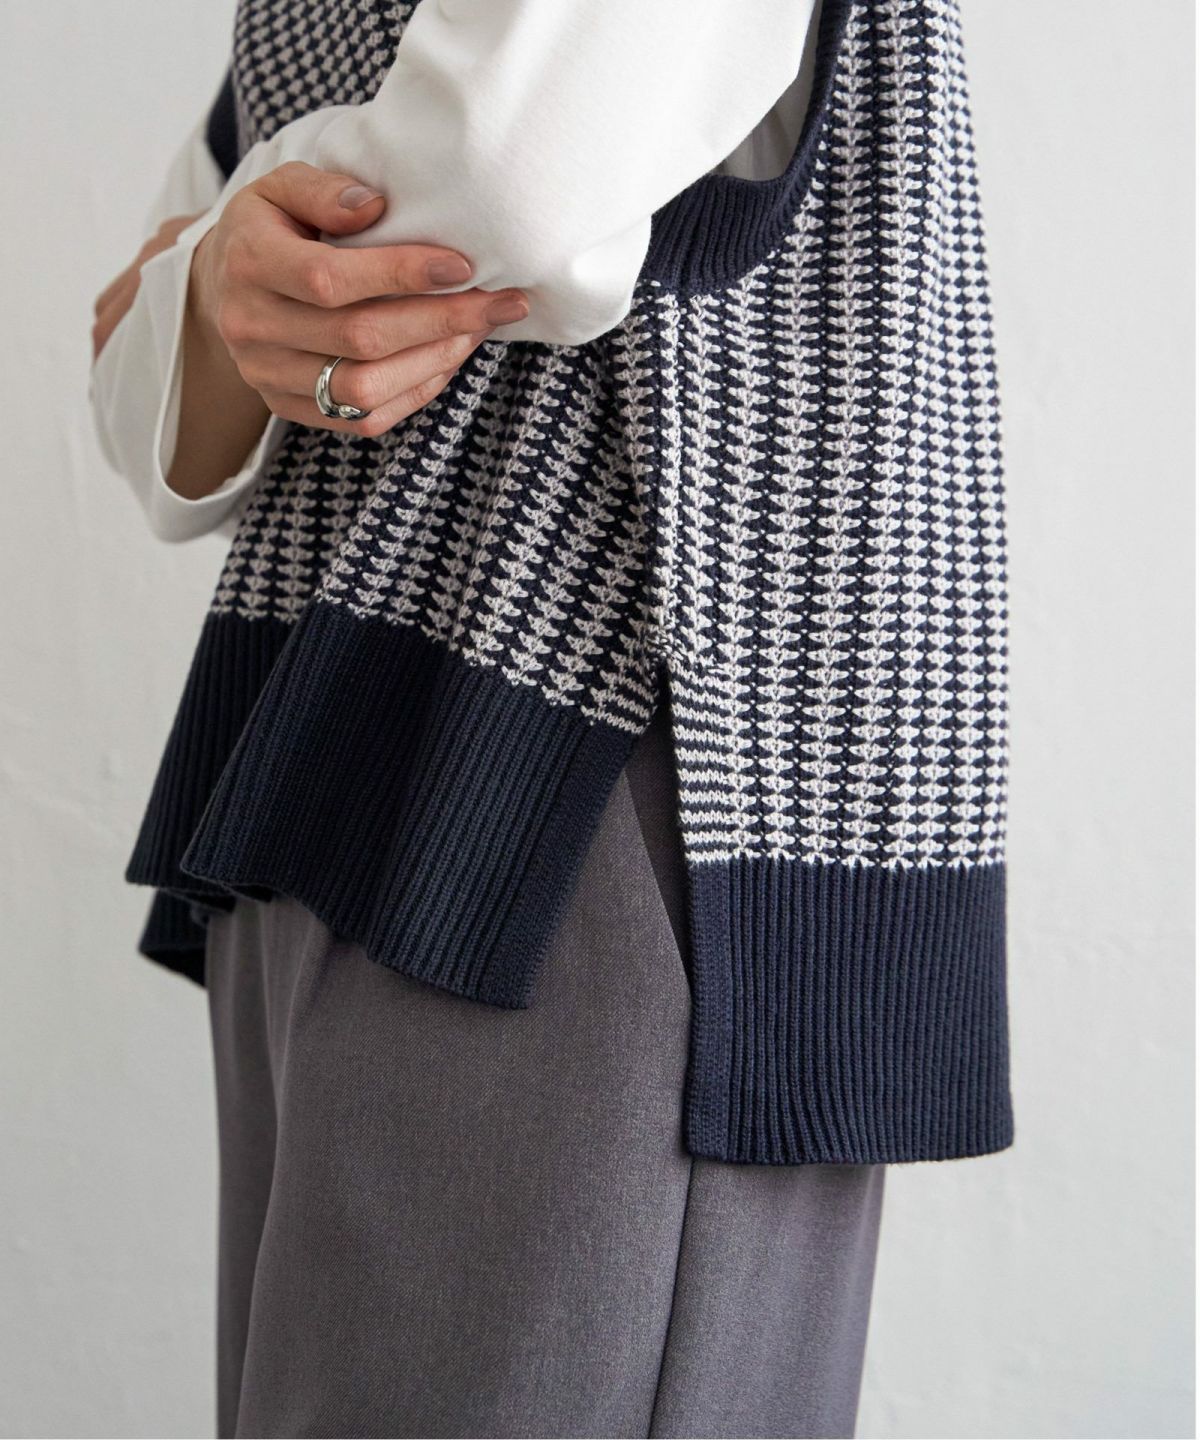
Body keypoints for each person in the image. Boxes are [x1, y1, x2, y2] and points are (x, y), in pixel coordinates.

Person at [91, 2, 1012, 1436]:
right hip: (326, 740)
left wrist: (212, 261)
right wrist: (222, 275)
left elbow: (505, 180)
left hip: (611, 762)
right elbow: (144, 393)